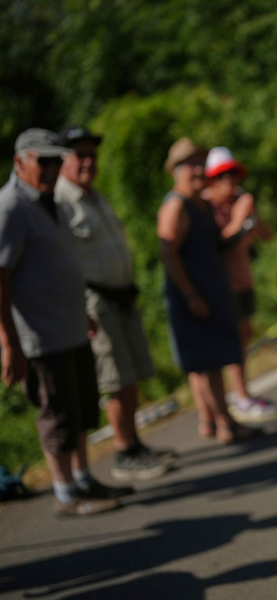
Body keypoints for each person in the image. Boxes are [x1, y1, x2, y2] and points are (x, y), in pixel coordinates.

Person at [0, 129, 123, 516]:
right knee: (56, 414)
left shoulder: (50, 201)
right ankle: (66, 491)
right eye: (44, 161)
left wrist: (81, 311)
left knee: (83, 406)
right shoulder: (10, 207)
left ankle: (84, 477)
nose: (52, 169)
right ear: (20, 162)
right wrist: (9, 344)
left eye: (57, 161)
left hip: (69, 326)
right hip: (40, 336)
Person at [55, 125, 173, 482]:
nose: (88, 162)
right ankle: (124, 453)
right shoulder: (60, 202)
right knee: (115, 379)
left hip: (121, 297)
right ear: (63, 160)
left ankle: (135, 444)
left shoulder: (95, 197)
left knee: (132, 376)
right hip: (96, 302)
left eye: (92, 154)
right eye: (80, 155)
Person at [157, 138, 257, 443]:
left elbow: (218, 244)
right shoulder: (176, 205)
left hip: (212, 292)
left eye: (200, 161)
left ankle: (218, 421)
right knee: (206, 364)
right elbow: (168, 252)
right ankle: (225, 424)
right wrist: (190, 295)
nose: (198, 169)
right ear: (175, 170)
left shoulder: (200, 203)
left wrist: (240, 224)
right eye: (190, 164)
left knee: (211, 362)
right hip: (193, 296)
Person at [203, 146, 277, 423]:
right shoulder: (207, 205)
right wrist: (238, 217)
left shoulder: (239, 200)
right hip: (224, 285)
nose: (229, 181)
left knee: (245, 335)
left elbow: (267, 235)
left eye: (232, 174)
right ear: (211, 179)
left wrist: (253, 214)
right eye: (221, 176)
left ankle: (241, 392)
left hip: (243, 279)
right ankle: (239, 396)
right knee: (234, 340)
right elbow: (219, 244)